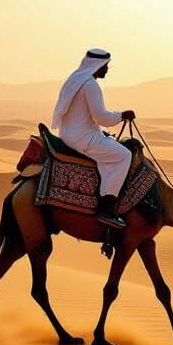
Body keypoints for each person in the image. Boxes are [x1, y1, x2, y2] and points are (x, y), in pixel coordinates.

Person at [51, 48, 136, 228]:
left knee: (110, 148)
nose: (107, 69)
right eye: (106, 66)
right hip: (83, 138)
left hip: (69, 135)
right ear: (97, 65)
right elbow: (101, 118)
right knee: (124, 155)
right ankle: (107, 208)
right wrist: (122, 115)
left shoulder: (74, 80)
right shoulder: (90, 85)